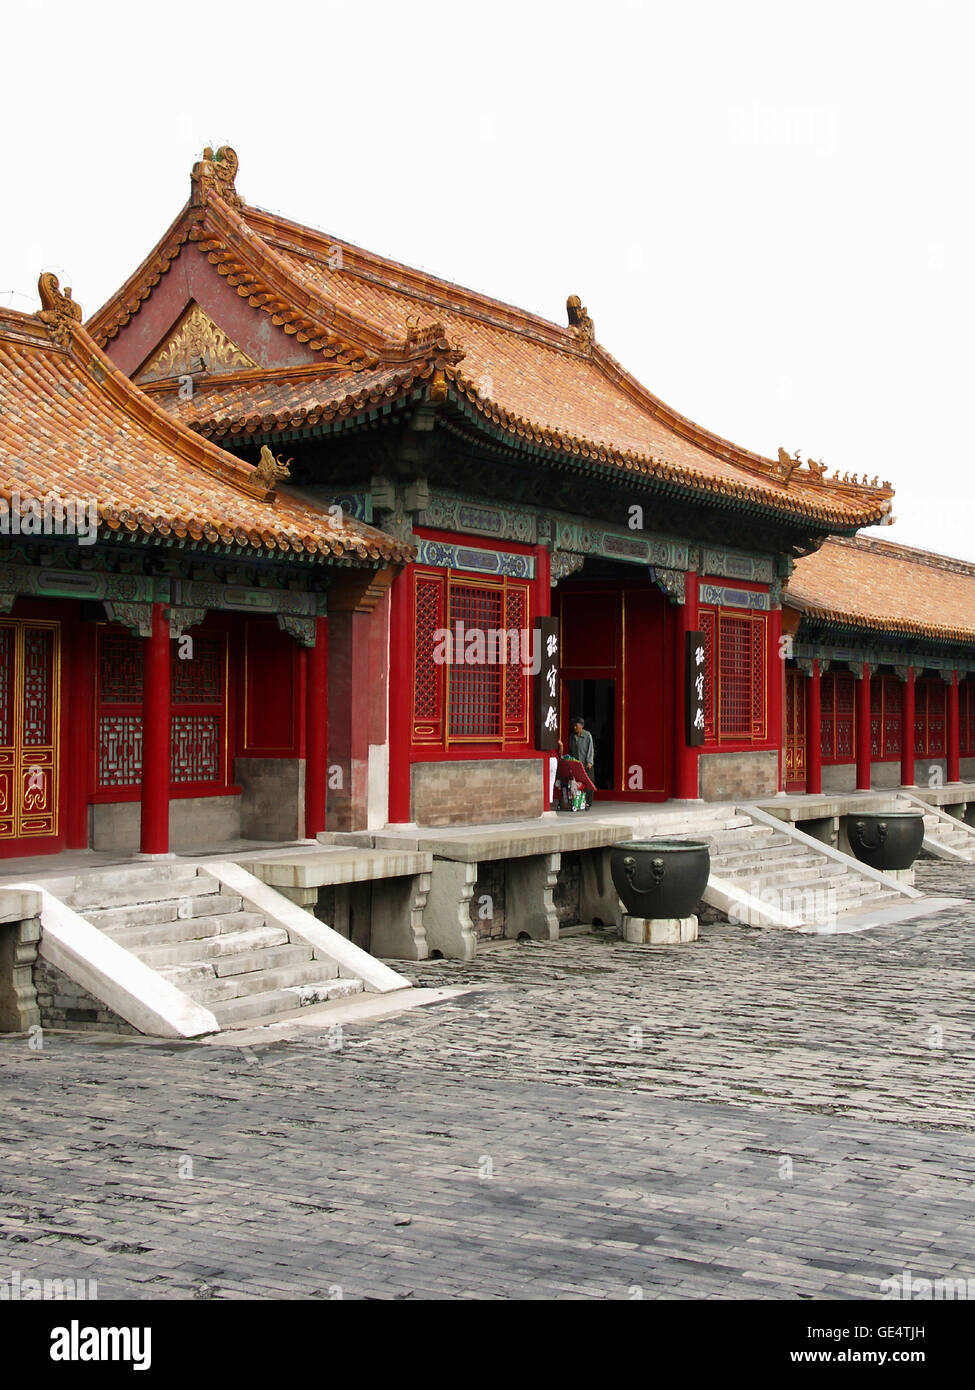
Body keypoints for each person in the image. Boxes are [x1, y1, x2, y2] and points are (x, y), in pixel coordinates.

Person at [569, 716, 595, 809]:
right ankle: (577, 801)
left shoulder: (587, 735)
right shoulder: (572, 737)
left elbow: (590, 749)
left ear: (581, 726)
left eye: (576, 725)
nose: (574, 727)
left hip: (586, 763)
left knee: (589, 782)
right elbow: (571, 751)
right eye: (574, 726)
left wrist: (589, 762)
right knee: (577, 783)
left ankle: (588, 802)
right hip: (577, 764)